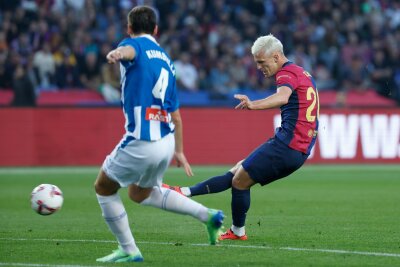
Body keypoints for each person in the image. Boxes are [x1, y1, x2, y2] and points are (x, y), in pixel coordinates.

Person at [94, 6, 224, 263]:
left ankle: (129, 250)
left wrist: (118, 52)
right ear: (156, 30)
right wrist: (179, 150)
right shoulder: (167, 61)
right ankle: (207, 215)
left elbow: (130, 51)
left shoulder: (133, 45)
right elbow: (176, 114)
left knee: (103, 187)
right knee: (139, 193)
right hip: (165, 140)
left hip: (142, 139)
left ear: (129, 29)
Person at [164, 34, 319, 241]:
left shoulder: (286, 74)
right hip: (296, 147)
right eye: (256, 63)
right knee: (238, 170)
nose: (259, 67)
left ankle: (237, 231)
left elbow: (282, 97)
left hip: (288, 145)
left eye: (261, 62)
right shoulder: (302, 72)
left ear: (276, 56)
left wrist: (253, 104)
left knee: (240, 180)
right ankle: (184, 192)